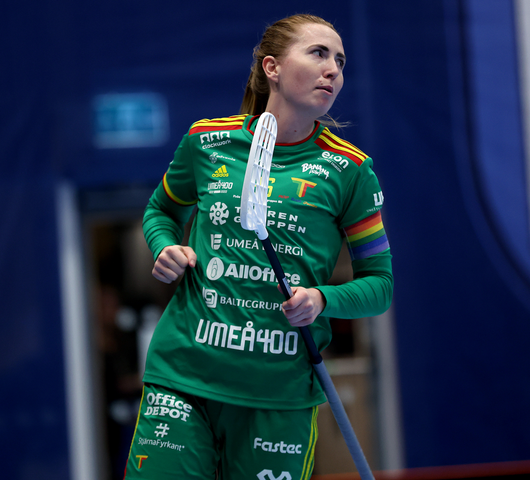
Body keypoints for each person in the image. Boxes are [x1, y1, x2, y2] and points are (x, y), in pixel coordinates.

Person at [124, 13, 393, 480]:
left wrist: (321, 299)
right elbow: (161, 210)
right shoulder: (207, 141)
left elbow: (380, 286)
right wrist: (165, 246)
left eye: (340, 60)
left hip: (279, 394)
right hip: (184, 374)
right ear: (273, 68)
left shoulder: (351, 170)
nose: (333, 69)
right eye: (318, 53)